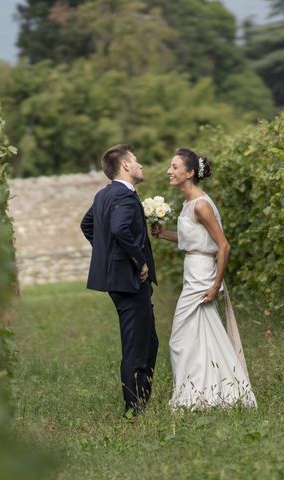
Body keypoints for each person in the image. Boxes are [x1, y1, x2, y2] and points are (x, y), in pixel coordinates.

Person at [152, 147, 256, 410]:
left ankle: (199, 394)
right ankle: (208, 393)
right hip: (193, 269)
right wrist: (163, 234)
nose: (169, 171)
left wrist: (216, 284)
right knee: (199, 335)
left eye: (174, 167)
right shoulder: (189, 203)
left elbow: (223, 245)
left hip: (202, 275)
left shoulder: (201, 204)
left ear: (189, 173)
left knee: (179, 338)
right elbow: (195, 240)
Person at [80, 144, 158, 417]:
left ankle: (141, 400)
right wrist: (139, 261)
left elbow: (87, 225)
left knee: (148, 341)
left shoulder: (103, 195)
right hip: (130, 279)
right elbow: (119, 228)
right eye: (136, 161)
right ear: (125, 165)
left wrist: (109, 256)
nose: (140, 165)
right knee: (137, 345)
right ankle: (134, 410)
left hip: (119, 278)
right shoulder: (124, 197)